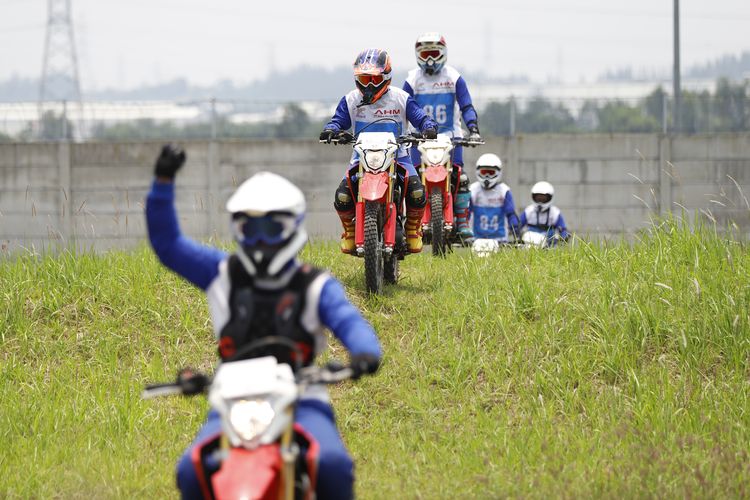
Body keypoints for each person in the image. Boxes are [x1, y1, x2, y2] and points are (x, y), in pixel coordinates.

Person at [145, 145, 382, 500]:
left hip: (302, 398)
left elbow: (348, 320)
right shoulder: (220, 273)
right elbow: (168, 245)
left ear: (292, 227)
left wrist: (365, 352)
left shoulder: (314, 283)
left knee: (332, 464)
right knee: (190, 470)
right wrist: (162, 182)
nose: (258, 240)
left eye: (270, 228)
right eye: (248, 228)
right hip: (232, 401)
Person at [320, 48, 438, 254]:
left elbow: (420, 117)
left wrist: (428, 127)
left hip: (398, 156)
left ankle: (411, 228)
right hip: (361, 158)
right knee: (342, 197)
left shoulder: (401, 98)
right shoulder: (351, 100)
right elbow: (338, 120)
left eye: (374, 79)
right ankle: (349, 230)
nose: (369, 85)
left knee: (417, 192)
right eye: (364, 79)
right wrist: (331, 130)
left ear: (386, 76)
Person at [403, 32, 482, 237]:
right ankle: (411, 222)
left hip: (450, 136)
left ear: (443, 54)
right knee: (412, 181)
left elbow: (466, 105)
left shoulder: (453, 77)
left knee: (460, 177)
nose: (430, 58)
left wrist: (472, 128)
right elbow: (402, 108)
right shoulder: (412, 80)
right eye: (425, 53)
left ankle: (463, 221)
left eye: (434, 53)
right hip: (419, 139)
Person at [468, 153, 521, 242]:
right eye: (484, 172)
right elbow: (466, 214)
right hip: (478, 239)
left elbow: (511, 214)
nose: (487, 176)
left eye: (491, 172)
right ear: (478, 172)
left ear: (498, 172)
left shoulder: (504, 191)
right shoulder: (473, 190)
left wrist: (516, 230)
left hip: (500, 239)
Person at [519, 181, 571, 246]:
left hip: (549, 244)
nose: (540, 200)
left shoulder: (555, 212)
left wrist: (564, 237)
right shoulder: (529, 211)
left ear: (550, 197)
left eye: (543, 198)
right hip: (530, 243)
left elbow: (563, 229)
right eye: (538, 198)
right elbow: (518, 225)